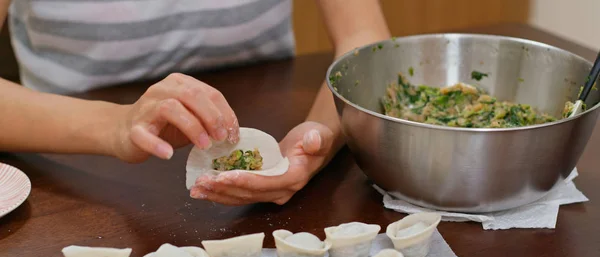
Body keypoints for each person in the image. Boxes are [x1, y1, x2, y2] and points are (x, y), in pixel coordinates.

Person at [0, 0, 391, 206]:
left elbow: (363, 44)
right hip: (75, 168)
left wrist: (317, 141)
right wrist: (118, 126)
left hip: (273, 125)